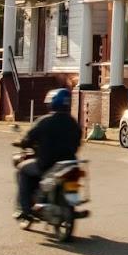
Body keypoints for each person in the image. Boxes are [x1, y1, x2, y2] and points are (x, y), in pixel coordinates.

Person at [14, 88, 82, 219]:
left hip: (47, 164)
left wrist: (22, 142)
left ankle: (25, 209)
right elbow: (78, 143)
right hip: (69, 163)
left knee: (22, 169)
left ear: (52, 103)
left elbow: (29, 138)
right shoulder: (73, 123)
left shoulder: (44, 121)